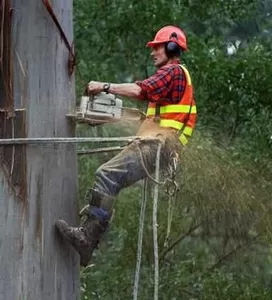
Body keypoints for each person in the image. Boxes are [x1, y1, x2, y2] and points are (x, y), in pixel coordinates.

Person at [55, 25, 197, 267]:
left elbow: (141, 90)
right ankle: (89, 239)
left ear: (172, 47)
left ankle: (87, 237)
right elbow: (152, 109)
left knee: (107, 174)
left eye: (157, 47)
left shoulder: (173, 72)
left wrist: (105, 86)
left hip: (159, 147)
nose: (152, 53)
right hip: (158, 147)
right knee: (111, 179)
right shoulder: (172, 80)